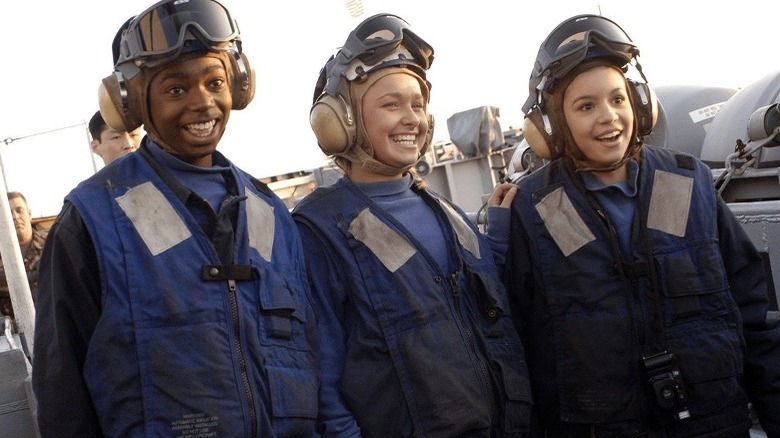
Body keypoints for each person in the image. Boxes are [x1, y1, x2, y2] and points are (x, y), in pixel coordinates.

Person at [32, 0, 318, 436]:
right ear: (130, 105)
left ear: (238, 87)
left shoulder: (272, 213)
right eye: (176, 90)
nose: (203, 103)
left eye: (215, 82)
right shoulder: (91, 219)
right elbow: (62, 390)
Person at [506, 14, 780, 437]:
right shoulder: (539, 209)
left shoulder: (685, 184)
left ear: (640, 103)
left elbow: (754, 318)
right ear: (553, 124)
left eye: (618, 99)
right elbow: (521, 344)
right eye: (585, 106)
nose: (608, 117)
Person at [293, 13, 531, 437]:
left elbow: (469, 300)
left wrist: (499, 228)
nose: (412, 119)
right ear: (340, 120)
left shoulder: (448, 212)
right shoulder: (318, 231)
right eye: (391, 104)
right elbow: (320, 380)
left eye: (417, 105)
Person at [0, 192, 48, 318]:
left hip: (51, 324)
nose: (15, 217)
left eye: (19, 210)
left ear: (30, 214)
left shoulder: (51, 245)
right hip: (14, 332)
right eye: (9, 213)